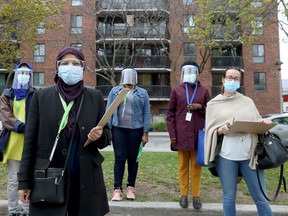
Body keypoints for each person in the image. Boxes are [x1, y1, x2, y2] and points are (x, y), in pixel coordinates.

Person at [17, 47, 111, 216]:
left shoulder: (94, 97)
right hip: (48, 176)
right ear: (58, 67)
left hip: (85, 175)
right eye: (65, 63)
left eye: (76, 63)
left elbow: (107, 137)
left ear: (82, 68)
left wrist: (100, 135)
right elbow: (29, 142)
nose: (70, 67)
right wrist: (24, 182)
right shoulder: (41, 97)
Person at [204, 67, 273, 216]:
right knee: (229, 197)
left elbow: (256, 123)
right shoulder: (213, 104)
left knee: (260, 197)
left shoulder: (247, 101)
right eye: (229, 77)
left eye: (236, 78)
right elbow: (210, 130)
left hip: (249, 156)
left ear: (240, 81)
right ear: (223, 80)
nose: (232, 80)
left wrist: (263, 123)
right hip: (226, 156)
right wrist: (220, 130)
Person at [166, 61, 211, 209]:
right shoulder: (177, 90)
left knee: (196, 167)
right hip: (181, 135)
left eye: (193, 71)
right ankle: (183, 195)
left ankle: (196, 196)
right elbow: (170, 114)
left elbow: (211, 113)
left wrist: (201, 107)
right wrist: (173, 135)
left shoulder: (204, 91)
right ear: (183, 73)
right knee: (182, 167)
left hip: (198, 135)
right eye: (188, 72)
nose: (191, 75)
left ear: (197, 73)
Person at [107, 68, 150, 201]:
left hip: (135, 130)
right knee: (119, 157)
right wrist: (107, 129)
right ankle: (117, 189)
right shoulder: (115, 91)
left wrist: (145, 133)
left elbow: (146, 113)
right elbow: (109, 109)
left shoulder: (142, 93)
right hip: (118, 129)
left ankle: (131, 187)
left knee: (132, 158)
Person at [0, 62, 35, 216]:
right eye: (21, 72)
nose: (24, 76)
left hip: (30, 143)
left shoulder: (35, 94)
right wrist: (21, 126)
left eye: (27, 73)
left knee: (28, 178)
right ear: (16, 74)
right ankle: (13, 210)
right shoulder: (7, 94)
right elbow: (5, 115)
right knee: (14, 180)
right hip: (13, 142)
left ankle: (27, 210)